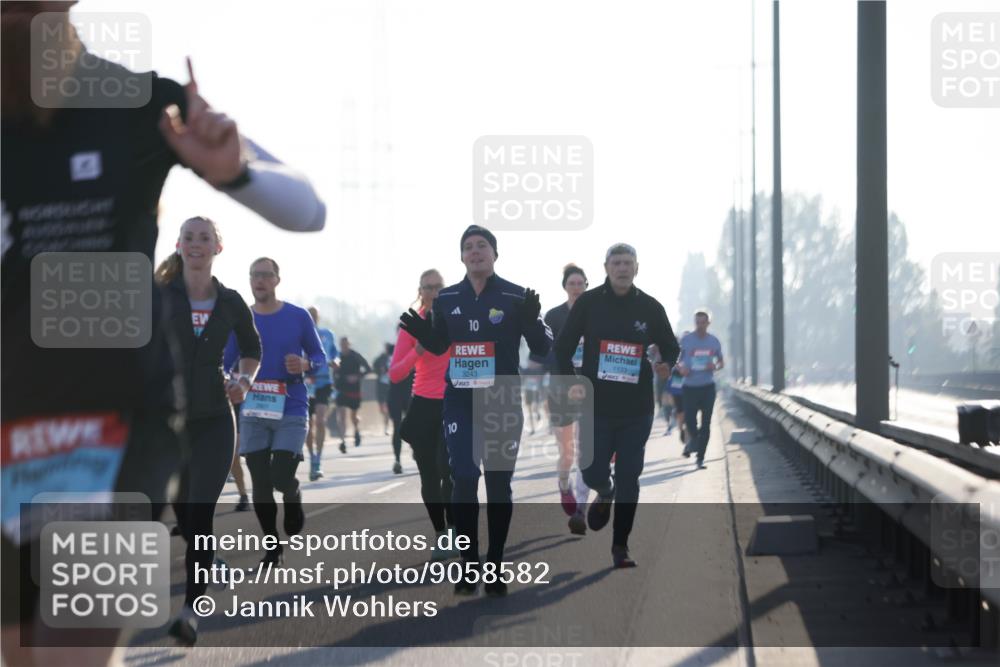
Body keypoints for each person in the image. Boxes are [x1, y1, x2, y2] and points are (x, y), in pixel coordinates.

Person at [1, 6, 325, 664]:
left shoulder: (138, 102)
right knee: (19, 650)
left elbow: (306, 207)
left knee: (68, 651)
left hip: (120, 421)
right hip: (10, 421)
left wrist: (234, 169)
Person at [399, 225, 552, 596]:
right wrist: (424, 333)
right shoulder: (449, 297)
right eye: (468, 247)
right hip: (460, 400)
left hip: (501, 400)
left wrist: (532, 321)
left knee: (499, 485)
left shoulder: (517, 295)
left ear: (495, 254)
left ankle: (495, 563)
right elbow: (439, 345)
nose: (475, 251)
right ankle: (469, 565)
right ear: (462, 257)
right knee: (464, 477)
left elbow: (542, 348)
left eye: (482, 245)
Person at [156, 216, 261, 645]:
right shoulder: (159, 295)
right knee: (182, 513)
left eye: (205, 238)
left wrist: (244, 381)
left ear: (218, 247)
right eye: (189, 237)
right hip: (167, 421)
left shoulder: (231, 300)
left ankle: (190, 613)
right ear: (179, 245)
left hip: (216, 420)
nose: (196, 244)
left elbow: (252, 349)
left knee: (200, 514)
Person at [555, 243, 679, 568]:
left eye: (628, 263)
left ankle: (620, 547)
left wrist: (666, 362)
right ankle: (604, 490)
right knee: (592, 470)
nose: (622, 268)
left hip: (637, 409)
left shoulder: (650, 307)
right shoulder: (589, 303)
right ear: (606, 267)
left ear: (637, 268)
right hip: (596, 406)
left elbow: (670, 344)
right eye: (616, 263)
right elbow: (562, 347)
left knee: (630, 477)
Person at [223, 258, 326, 565]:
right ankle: (272, 547)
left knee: (281, 475)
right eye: (255, 275)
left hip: (291, 402)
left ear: (277, 280)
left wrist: (307, 364)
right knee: (260, 481)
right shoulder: (240, 321)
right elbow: (226, 361)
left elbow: (320, 356)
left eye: (266, 275)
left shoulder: (297, 316)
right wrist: (229, 381)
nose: (260, 280)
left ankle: (292, 496)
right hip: (253, 405)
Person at [392, 270, 457, 557]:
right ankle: (441, 534)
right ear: (420, 291)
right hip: (423, 405)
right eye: (428, 288)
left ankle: (455, 531)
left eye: (438, 287)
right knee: (429, 476)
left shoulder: (455, 320)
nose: (433, 292)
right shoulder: (410, 325)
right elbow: (395, 374)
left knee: (449, 470)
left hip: (453, 402)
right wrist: (419, 346)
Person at [534, 264, 591, 535]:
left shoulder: (597, 314)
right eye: (572, 283)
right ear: (565, 286)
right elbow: (550, 354)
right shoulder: (554, 316)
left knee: (588, 448)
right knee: (567, 451)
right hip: (561, 389)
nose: (576, 287)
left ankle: (581, 507)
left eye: (581, 283)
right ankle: (563, 483)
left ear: (587, 285)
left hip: (590, 388)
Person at [679, 312, 724, 469]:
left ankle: (700, 457)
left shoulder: (714, 341)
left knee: (706, 424)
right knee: (690, 421)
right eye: (697, 322)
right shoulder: (686, 340)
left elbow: (721, 363)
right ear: (694, 323)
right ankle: (695, 441)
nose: (700, 325)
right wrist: (681, 369)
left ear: (708, 323)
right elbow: (677, 361)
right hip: (689, 387)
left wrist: (715, 366)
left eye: (703, 323)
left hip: (707, 387)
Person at [305, 307, 339, 480]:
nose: (312, 319)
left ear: (318, 317)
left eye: (314, 316)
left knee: (320, 419)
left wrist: (335, 362)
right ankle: (312, 457)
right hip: (306, 383)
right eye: (309, 316)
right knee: (308, 425)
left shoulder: (327, 334)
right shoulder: (299, 334)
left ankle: (318, 457)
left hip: (324, 382)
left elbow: (335, 354)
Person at [334, 337, 371, 452]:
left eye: (346, 344)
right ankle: (343, 441)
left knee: (353, 416)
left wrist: (357, 376)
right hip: (341, 389)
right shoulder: (338, 357)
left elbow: (368, 369)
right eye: (342, 344)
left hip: (354, 390)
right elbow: (334, 371)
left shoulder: (356, 356)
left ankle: (356, 430)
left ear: (349, 344)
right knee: (341, 415)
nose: (344, 346)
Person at [385, 338, 414, 474]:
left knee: (413, 425)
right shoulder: (391, 350)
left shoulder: (416, 348)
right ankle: (397, 460)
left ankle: (415, 448)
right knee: (397, 427)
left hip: (410, 393)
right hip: (395, 394)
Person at [373, 343, 394, 435]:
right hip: (381, 385)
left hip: (391, 385)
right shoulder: (380, 358)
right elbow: (374, 366)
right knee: (382, 408)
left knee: (388, 407)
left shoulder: (394, 356)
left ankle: (387, 427)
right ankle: (387, 423)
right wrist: (379, 370)